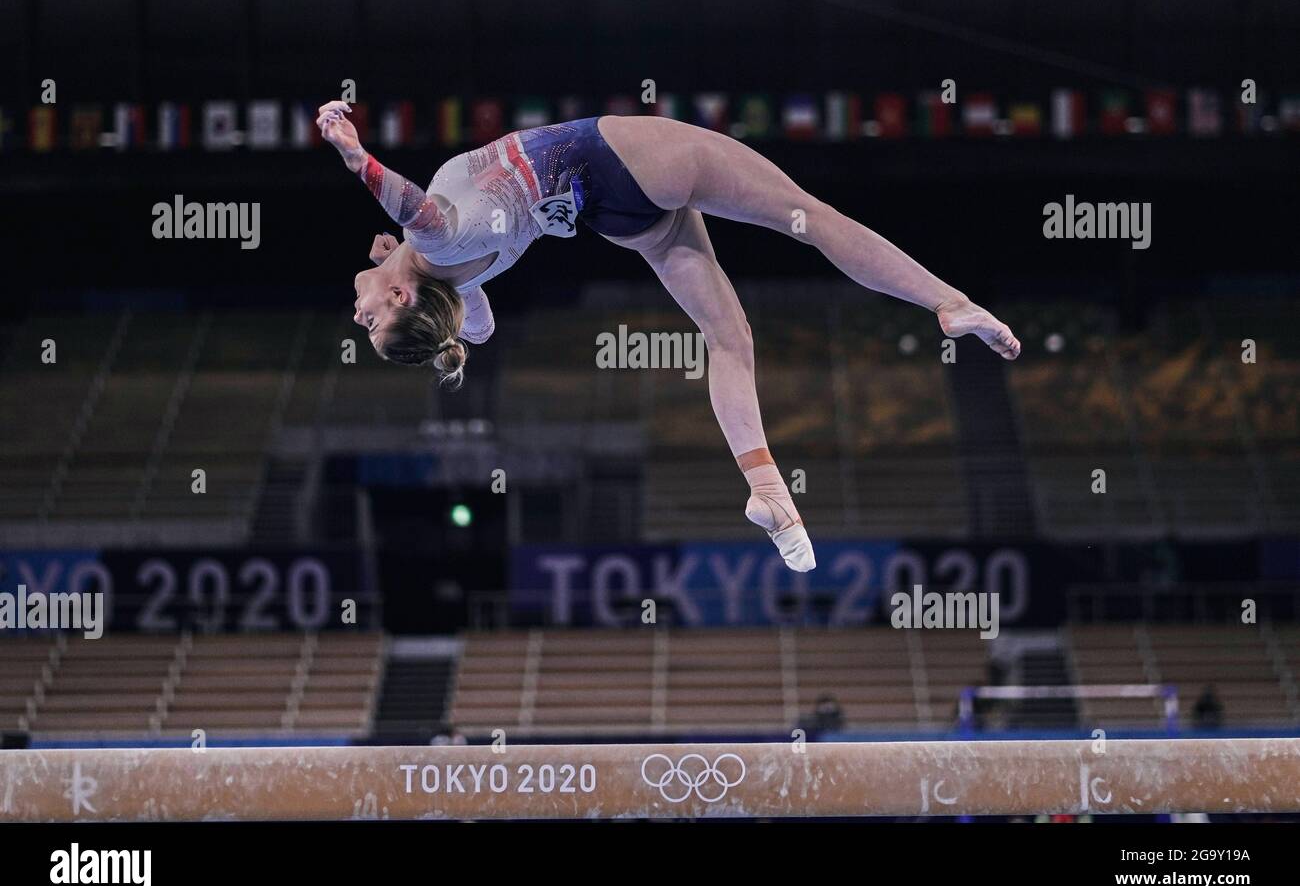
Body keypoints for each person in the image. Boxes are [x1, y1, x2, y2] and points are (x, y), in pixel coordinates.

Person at [319, 102, 1021, 573]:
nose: (361, 317)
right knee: (806, 215)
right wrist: (354, 156)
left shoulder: (461, 286)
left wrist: (397, 267)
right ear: (403, 296)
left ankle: (768, 488)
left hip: (610, 214)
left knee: (728, 334)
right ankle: (947, 302)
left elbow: (470, 322)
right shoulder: (434, 241)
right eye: (377, 321)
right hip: (615, 158)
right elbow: (413, 206)